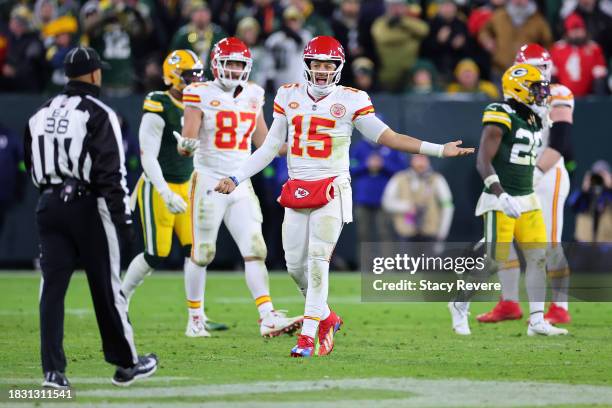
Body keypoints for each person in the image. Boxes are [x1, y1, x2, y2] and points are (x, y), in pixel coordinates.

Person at [211, 36, 474, 357]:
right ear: (307, 65)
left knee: (318, 262)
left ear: (338, 67)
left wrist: (438, 150)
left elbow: (388, 137)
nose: (322, 71)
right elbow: (268, 148)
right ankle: (326, 317)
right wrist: (237, 176)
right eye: (317, 64)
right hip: (297, 188)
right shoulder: (287, 94)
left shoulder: (352, 99)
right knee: (295, 267)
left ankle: (307, 337)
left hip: (333, 188)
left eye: (329, 65)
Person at [24, 46, 157, 389]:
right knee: (107, 287)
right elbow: (112, 174)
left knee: (51, 290)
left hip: (49, 204)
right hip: (88, 205)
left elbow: (32, 163)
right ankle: (126, 363)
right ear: (95, 73)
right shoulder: (99, 112)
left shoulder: (40, 112)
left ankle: (53, 372)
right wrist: (123, 219)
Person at [177, 37, 303, 338]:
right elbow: (189, 139)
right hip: (208, 178)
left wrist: (298, 146)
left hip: (239, 181)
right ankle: (195, 318)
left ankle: (267, 316)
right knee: (203, 252)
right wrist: (186, 144)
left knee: (255, 248)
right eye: (229, 63)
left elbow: (263, 142)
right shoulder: (198, 92)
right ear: (216, 65)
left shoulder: (254, 94)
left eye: (238, 64)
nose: (234, 69)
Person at [448, 63, 568, 337]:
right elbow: (483, 160)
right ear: (520, 88)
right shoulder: (500, 112)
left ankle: (537, 320)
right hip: (499, 198)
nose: (541, 93)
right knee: (493, 260)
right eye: (536, 88)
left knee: (538, 257)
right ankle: (459, 303)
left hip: (527, 198)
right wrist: (500, 195)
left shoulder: (535, 118)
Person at [120, 50, 225, 337]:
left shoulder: (203, 102)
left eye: (198, 75)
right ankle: (121, 299)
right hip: (159, 185)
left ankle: (197, 316)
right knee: (157, 253)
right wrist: (165, 193)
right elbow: (148, 156)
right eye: (189, 75)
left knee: (198, 252)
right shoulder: (159, 102)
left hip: (189, 184)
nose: (195, 80)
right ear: (173, 76)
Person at [477, 44, 576, 326]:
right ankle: (509, 301)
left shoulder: (558, 93)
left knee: (549, 242)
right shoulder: (517, 94)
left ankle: (559, 306)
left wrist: (534, 174)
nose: (540, 75)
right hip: (518, 175)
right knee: (502, 242)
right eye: (533, 67)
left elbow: (559, 144)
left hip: (547, 174)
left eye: (543, 68)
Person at [382, 154, 454, 242]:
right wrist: (406, 206)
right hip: (405, 232)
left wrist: (442, 232)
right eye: (417, 158)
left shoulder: (437, 179)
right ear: (411, 160)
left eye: (423, 158)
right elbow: (386, 202)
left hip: (430, 233)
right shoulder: (399, 178)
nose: (420, 162)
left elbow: (447, 206)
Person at [350, 137, 407, 243]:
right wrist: (366, 165)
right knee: (363, 235)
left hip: (385, 199)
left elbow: (402, 169)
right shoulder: (360, 146)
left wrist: (383, 164)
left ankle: (386, 260)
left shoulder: (392, 146)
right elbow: (351, 166)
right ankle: (365, 260)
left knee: (385, 234)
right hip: (363, 199)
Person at [478, 0, 552, 76]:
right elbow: (484, 31)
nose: (518, 1)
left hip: (526, 72)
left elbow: (547, 43)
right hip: (499, 69)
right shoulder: (499, 15)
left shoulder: (538, 21)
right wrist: (487, 42)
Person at [371, 0, 429, 92]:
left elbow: (424, 30)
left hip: (409, 75)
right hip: (387, 75)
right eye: (393, 6)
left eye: (399, 6)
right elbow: (383, 37)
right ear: (387, 8)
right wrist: (409, 36)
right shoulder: (381, 23)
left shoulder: (409, 21)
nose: (396, 9)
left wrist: (402, 22)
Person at [550, 13, 608, 97]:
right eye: (573, 30)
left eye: (579, 29)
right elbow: (552, 74)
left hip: (588, 96)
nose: (577, 33)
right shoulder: (557, 48)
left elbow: (600, 73)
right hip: (562, 97)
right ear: (567, 32)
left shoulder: (594, 48)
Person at [263, 6, 313, 91]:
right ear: (284, 22)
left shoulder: (306, 35)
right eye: (289, 20)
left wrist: (294, 36)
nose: (292, 23)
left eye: (295, 20)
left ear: (300, 21)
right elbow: (268, 58)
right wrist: (269, 76)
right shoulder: (275, 38)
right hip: (280, 80)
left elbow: (303, 45)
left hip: (300, 80)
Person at [569, 160, 612, 242]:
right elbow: (572, 204)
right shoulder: (586, 194)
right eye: (596, 175)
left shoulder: (609, 193)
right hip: (584, 245)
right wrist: (584, 189)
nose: (599, 179)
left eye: (602, 175)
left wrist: (610, 186)